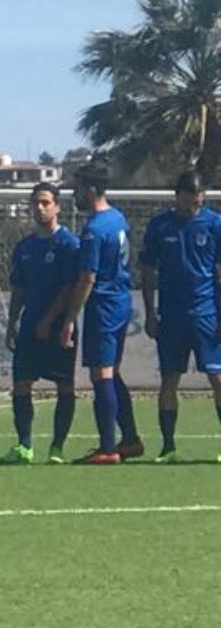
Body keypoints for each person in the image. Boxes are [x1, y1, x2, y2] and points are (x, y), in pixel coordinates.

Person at [137, 170, 221, 464]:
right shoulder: (160, 226)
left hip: (207, 313)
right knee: (170, 379)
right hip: (171, 315)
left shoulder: (214, 224)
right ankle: (168, 446)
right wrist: (150, 312)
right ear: (177, 196)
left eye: (197, 203)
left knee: (217, 377)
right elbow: (147, 269)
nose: (192, 208)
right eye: (188, 202)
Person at [63, 165, 144, 464]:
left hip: (104, 304)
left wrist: (71, 317)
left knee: (101, 374)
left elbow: (88, 277)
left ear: (92, 189)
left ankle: (108, 448)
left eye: (79, 187)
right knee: (113, 372)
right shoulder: (117, 218)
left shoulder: (95, 229)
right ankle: (131, 439)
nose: (75, 193)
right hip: (121, 300)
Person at [0, 183, 81, 465]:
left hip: (59, 326)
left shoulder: (69, 244)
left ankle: (57, 448)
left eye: (46, 202)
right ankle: (24, 446)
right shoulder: (25, 247)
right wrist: (11, 323)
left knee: (65, 386)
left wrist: (51, 319)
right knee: (21, 384)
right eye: (35, 203)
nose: (40, 208)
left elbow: (70, 287)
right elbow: (18, 288)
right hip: (30, 325)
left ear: (57, 206)